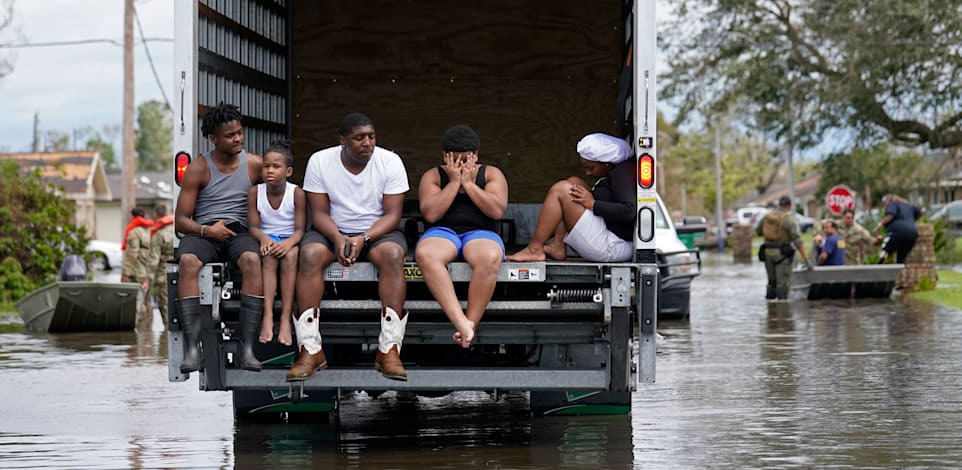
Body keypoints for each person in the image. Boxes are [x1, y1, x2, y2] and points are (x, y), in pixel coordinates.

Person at [288, 112, 410, 382]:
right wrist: (338, 237)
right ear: (342, 141)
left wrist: (363, 238)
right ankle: (310, 350)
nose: (367, 143)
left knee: (392, 255)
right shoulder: (320, 161)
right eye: (359, 138)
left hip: (378, 232)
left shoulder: (390, 161)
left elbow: (392, 215)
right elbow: (318, 214)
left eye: (371, 136)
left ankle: (389, 350)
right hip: (331, 231)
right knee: (308, 255)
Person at [174, 102, 264, 373]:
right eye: (229, 135)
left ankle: (247, 349)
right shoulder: (199, 168)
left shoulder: (255, 165)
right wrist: (207, 231)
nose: (237, 138)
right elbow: (180, 221)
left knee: (251, 259)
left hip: (239, 233)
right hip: (205, 233)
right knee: (188, 261)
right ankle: (193, 349)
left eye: (239, 132)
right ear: (213, 139)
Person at [416, 125, 508, 348]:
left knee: (489, 256)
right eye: (454, 160)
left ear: (476, 155)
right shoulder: (433, 176)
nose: (460, 165)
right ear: (444, 157)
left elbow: (496, 210)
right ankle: (460, 321)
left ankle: (470, 325)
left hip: (481, 233)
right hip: (443, 232)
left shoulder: (491, 173)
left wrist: (468, 183)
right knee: (426, 254)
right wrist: (455, 182)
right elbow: (431, 213)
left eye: (466, 160)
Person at [508, 133, 635, 262]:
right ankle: (558, 245)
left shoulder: (622, 174)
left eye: (590, 168)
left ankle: (534, 250)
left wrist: (592, 204)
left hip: (613, 246)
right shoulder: (616, 172)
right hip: (612, 236)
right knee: (574, 182)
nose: (587, 173)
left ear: (606, 164)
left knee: (561, 189)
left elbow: (629, 211)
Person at [247, 139, 307, 347]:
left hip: (289, 240)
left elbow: (300, 229)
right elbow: (253, 227)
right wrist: (264, 239)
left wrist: (289, 243)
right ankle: (268, 317)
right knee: (269, 260)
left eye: (276, 166)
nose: (269, 171)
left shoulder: (296, 193)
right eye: (266, 166)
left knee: (290, 258)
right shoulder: (256, 192)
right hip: (267, 239)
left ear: (288, 171)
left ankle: (285, 320)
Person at [755, 196, 812, 301]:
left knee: (771, 281)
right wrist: (806, 260)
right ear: (790, 205)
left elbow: (758, 231)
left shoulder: (767, 217)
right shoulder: (789, 220)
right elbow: (797, 241)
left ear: (779, 205)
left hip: (767, 253)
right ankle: (782, 312)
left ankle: (770, 309)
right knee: (783, 283)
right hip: (782, 255)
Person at [121, 207, 154, 324]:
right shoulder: (148, 231)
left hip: (136, 272)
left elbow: (132, 254)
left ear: (133, 217)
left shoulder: (134, 232)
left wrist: (125, 273)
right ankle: (149, 332)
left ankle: (140, 330)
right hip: (147, 273)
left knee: (136, 301)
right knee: (147, 301)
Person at [144, 204, 175, 327]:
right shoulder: (178, 230)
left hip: (165, 276)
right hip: (183, 274)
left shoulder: (159, 235)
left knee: (166, 308)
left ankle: (167, 341)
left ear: (156, 215)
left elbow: (153, 260)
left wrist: (148, 279)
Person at [874, 194, 920, 264]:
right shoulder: (908, 206)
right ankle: (900, 272)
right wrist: (911, 221)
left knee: (885, 250)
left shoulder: (893, 204)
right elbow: (920, 212)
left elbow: (891, 215)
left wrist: (879, 224)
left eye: (884, 204)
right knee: (901, 257)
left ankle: (877, 267)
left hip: (897, 231)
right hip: (913, 233)